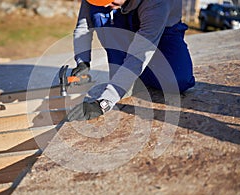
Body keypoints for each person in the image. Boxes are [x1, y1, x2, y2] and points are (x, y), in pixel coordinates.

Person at [66, 0, 195, 121]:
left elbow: (139, 53)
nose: (105, 5)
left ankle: (130, 74)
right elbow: (83, 27)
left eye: (110, 1)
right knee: (99, 13)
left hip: (163, 27)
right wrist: (82, 62)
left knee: (178, 82)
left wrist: (103, 104)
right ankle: (124, 73)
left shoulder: (157, 3)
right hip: (123, 18)